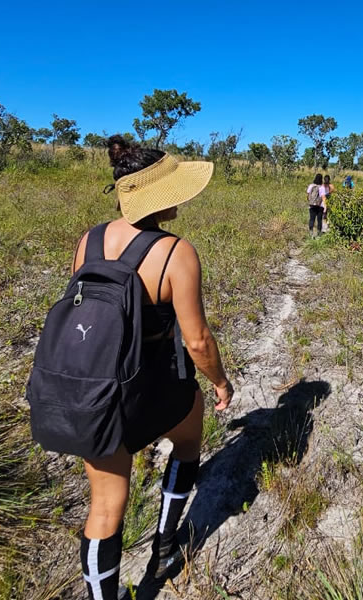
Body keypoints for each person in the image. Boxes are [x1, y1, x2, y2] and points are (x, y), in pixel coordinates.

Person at [73, 135, 234, 599]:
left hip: (94, 388)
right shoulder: (174, 252)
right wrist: (221, 382)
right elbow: (198, 341)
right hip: (153, 385)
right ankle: (165, 546)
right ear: (158, 199)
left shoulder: (90, 240)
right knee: (188, 434)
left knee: (105, 506)